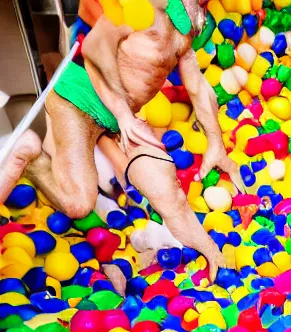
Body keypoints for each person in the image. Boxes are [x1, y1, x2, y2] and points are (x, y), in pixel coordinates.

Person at [0, 0, 243, 282]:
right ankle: (26, 154)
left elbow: (197, 85)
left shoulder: (186, 22)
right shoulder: (146, 8)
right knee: (79, 205)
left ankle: (213, 255)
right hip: (79, 103)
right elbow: (92, 51)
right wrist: (124, 115)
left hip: (118, 121)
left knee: (169, 194)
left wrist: (216, 143)